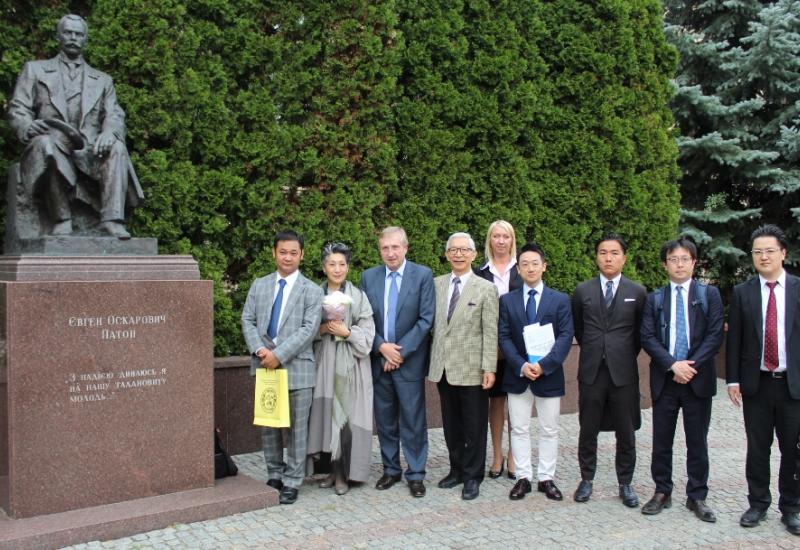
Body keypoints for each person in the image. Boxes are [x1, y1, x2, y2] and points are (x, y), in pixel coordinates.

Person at [7, 14, 143, 239]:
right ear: (59, 36)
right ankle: (62, 219)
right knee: (45, 145)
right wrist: (26, 126)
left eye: (78, 34)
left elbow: (115, 114)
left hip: (89, 151)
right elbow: (18, 108)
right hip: (52, 141)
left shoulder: (102, 80)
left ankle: (111, 220)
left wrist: (109, 132)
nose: (73, 38)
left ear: (85, 39)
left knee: (117, 148)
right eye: (68, 33)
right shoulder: (35, 70)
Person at [640, 237, 724, 522]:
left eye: (684, 259)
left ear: (694, 262)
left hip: (697, 381)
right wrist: (672, 365)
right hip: (665, 380)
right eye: (673, 259)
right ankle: (662, 491)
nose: (679, 264)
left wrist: (689, 367)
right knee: (661, 440)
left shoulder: (708, 295)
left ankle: (697, 495)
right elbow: (648, 337)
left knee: (697, 441)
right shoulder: (654, 298)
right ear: (665, 264)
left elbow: (715, 335)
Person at [727, 224, 800, 536]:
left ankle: (792, 507)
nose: (764, 256)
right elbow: (736, 342)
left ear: (783, 253)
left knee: (793, 450)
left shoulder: (798, 288)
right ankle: (757, 503)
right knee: (758, 448)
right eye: (758, 252)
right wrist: (732, 380)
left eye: (770, 250)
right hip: (756, 383)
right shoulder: (743, 292)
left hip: (793, 385)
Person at [241, 230, 323, 505]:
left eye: (293, 252)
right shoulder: (259, 285)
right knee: (269, 424)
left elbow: (309, 329)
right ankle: (274, 473)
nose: (288, 257)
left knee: (298, 428)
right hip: (265, 365)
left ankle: (292, 479)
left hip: (298, 368)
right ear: (274, 252)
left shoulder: (311, 290)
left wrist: (279, 354)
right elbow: (247, 320)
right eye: (283, 252)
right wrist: (261, 351)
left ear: (302, 255)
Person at [571, 232, 647, 507]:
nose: (608, 257)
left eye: (614, 253)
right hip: (591, 371)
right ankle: (586, 478)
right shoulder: (582, 291)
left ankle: (625, 483)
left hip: (624, 372)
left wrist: (619, 353)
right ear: (596, 257)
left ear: (624, 258)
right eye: (603, 252)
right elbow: (579, 328)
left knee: (626, 431)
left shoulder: (637, 292)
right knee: (587, 428)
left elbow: (639, 334)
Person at [360, 226, 435, 498]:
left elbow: (426, 319)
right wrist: (381, 347)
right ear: (380, 250)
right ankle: (391, 470)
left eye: (395, 247)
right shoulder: (369, 277)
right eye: (385, 248)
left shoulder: (423, 275)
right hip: (380, 360)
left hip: (409, 362)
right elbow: (363, 319)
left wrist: (399, 353)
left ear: (405, 247)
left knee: (413, 421)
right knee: (386, 420)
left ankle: (416, 474)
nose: (390, 253)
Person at [499, 242, 574, 501]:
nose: (530, 268)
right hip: (518, 374)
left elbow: (566, 336)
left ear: (544, 267)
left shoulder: (560, 300)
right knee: (518, 428)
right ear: (517, 269)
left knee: (549, 428)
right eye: (524, 264)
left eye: (535, 263)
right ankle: (522, 477)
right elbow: (504, 336)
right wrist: (521, 364)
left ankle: (546, 477)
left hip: (549, 374)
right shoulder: (507, 301)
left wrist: (545, 365)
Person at [429, 232, 498, 500]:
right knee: (451, 424)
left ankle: (473, 476)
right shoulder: (436, 285)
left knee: (474, 425)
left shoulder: (485, 288)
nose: (458, 254)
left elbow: (490, 331)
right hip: (443, 367)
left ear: (473, 255)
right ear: (446, 254)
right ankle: (456, 469)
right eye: (453, 250)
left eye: (464, 250)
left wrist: (489, 368)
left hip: (472, 368)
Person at [307, 242, 376, 495]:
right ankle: (330, 469)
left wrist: (347, 332)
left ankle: (344, 474)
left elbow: (368, 335)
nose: (337, 269)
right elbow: (304, 330)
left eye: (342, 264)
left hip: (352, 367)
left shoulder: (359, 297)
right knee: (328, 416)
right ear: (324, 267)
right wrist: (324, 329)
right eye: (332, 264)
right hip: (325, 364)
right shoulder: (314, 294)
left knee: (346, 418)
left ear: (348, 267)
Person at [475, 220, 523, 479]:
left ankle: (515, 455)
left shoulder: (523, 269)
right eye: (496, 236)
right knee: (495, 403)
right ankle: (496, 455)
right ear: (489, 240)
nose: (501, 241)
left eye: (506, 236)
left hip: (517, 348)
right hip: (491, 349)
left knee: (517, 402)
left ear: (512, 240)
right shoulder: (480, 273)